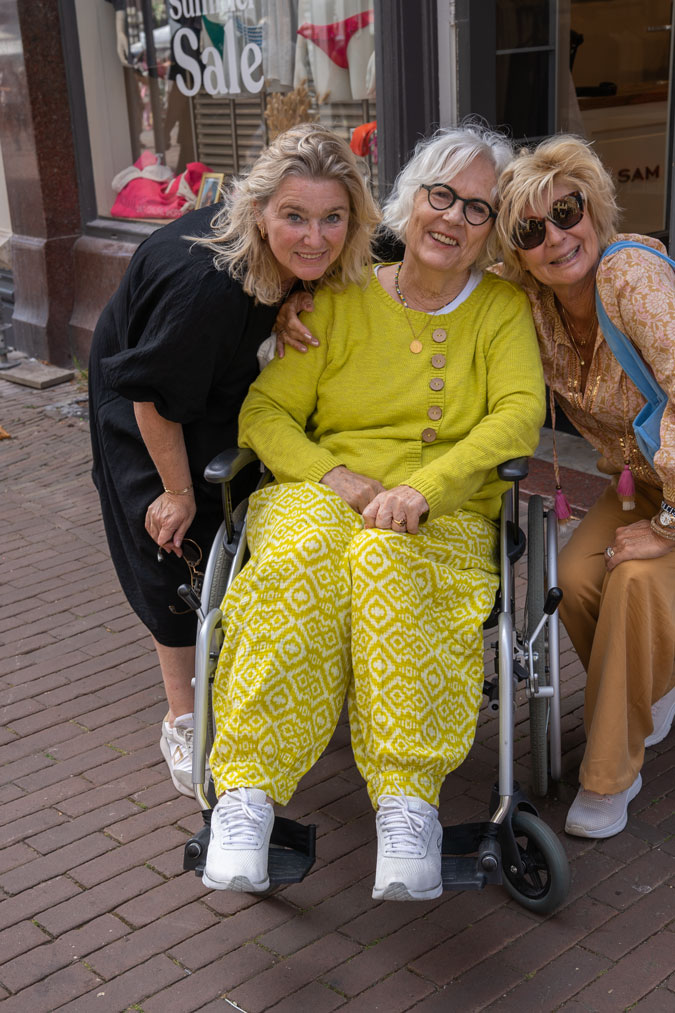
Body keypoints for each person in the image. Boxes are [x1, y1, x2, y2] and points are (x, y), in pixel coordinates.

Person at [202, 123, 546, 900]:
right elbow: (264, 415)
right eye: (440, 196)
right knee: (299, 559)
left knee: (391, 561)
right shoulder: (337, 299)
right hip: (323, 495)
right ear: (409, 198)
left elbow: (518, 413)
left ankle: (406, 804)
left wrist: (427, 487)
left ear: (492, 231)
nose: (453, 218)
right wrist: (338, 477)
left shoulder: (499, 309)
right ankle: (248, 795)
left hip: (443, 510)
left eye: (478, 209)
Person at [88, 123, 379, 799]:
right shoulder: (207, 288)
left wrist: (288, 304)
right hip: (144, 390)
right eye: (294, 218)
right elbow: (155, 400)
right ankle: (184, 716)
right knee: (170, 538)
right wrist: (177, 490)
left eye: (332, 217)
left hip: (211, 366)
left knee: (238, 495)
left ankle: (243, 662)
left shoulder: (311, 254)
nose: (315, 237)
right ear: (258, 212)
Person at [496, 135, 675, 839]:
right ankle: (648, 686)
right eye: (529, 229)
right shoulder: (528, 304)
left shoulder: (628, 275)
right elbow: (427, 286)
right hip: (640, 481)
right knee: (572, 573)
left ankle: (608, 773)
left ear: (592, 208)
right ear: (516, 250)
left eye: (565, 211)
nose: (555, 237)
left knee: (631, 579)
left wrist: (666, 529)